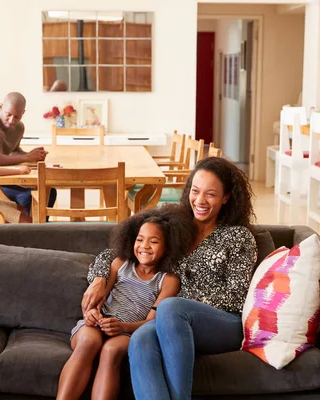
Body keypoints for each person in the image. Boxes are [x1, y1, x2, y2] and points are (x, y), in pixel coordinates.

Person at [82, 157, 258, 400]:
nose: (200, 201)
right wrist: (99, 278)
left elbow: (236, 297)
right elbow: (117, 252)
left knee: (171, 306)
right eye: (195, 191)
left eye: (211, 194)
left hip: (223, 324)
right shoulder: (175, 227)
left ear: (226, 197)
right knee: (141, 338)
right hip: (169, 321)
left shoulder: (238, 237)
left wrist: (179, 299)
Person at [56, 206, 196, 400]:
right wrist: (92, 313)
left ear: (168, 248)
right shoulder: (120, 264)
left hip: (127, 331)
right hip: (97, 324)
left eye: (154, 241)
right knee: (89, 341)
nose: (144, 246)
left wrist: (123, 326)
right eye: (140, 239)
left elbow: (153, 321)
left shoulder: (168, 280)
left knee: (110, 351)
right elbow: (99, 298)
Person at [0, 92, 56, 214]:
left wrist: (33, 156)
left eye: (17, 117)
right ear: (1, 107)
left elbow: (14, 153)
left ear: (23, 113)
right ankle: (29, 229)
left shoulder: (19, 128)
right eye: (8, 114)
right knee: (29, 197)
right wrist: (27, 157)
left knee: (49, 192)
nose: (12, 120)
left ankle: (38, 230)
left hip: (4, 177)